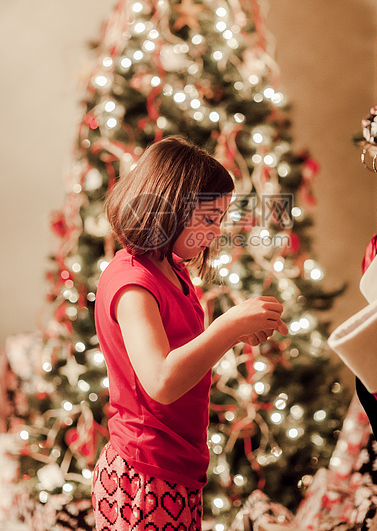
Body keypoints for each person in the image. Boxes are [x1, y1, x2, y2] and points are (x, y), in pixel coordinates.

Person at [92, 135, 287, 531]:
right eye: (209, 219)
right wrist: (227, 325)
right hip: (145, 472)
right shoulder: (133, 286)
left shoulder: (173, 268)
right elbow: (161, 381)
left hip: (177, 465)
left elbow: (180, 346)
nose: (216, 233)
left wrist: (236, 333)